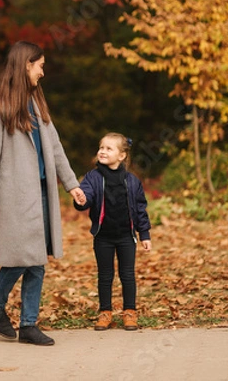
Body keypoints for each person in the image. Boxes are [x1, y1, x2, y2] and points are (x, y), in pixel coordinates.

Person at [0, 40, 86, 346]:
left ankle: (27, 324)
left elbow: (54, 147)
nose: (43, 72)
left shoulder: (37, 104)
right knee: (22, 257)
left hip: (41, 193)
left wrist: (72, 184)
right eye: (40, 66)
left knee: (36, 260)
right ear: (26, 65)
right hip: (13, 196)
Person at [74, 132, 151, 331]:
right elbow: (86, 196)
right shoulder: (92, 177)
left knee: (127, 275)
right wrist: (81, 200)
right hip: (103, 236)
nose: (103, 151)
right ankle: (105, 312)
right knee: (105, 275)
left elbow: (141, 208)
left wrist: (145, 234)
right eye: (101, 147)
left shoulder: (132, 181)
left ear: (122, 156)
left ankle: (130, 312)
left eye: (109, 148)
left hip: (126, 236)